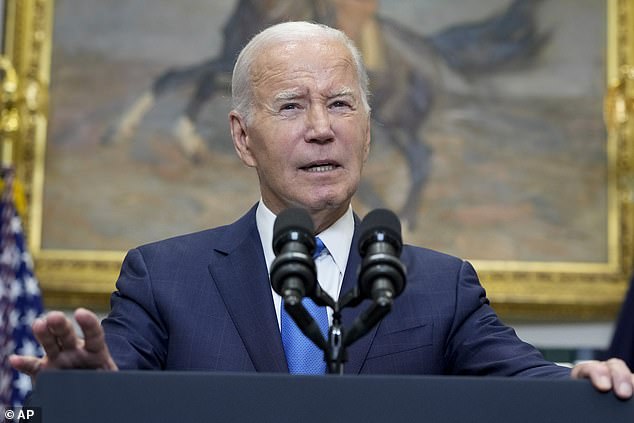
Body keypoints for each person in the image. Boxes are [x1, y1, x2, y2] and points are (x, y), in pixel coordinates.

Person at [10, 21, 634, 398]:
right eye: (290, 106)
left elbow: (527, 379)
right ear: (241, 136)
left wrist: (580, 385)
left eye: (340, 105)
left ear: (367, 128)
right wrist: (89, 383)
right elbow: (117, 384)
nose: (320, 129)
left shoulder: (440, 287)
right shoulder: (164, 278)